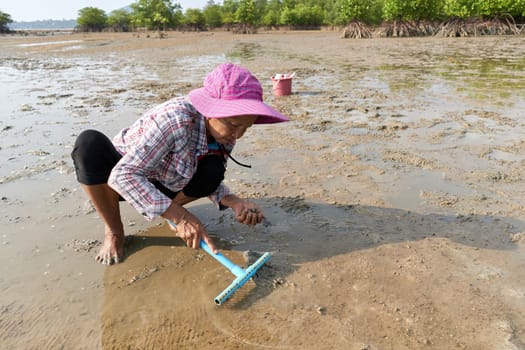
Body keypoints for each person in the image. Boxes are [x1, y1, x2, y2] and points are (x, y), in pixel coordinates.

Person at [71, 63, 289, 265]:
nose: (238, 135)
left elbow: (208, 176)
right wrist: (181, 216)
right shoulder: (175, 119)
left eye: (246, 128)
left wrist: (234, 201)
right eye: (233, 125)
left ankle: (169, 211)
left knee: (213, 170)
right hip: (120, 178)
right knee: (88, 145)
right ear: (210, 111)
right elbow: (123, 175)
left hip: (166, 180)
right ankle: (114, 230)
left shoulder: (225, 135)